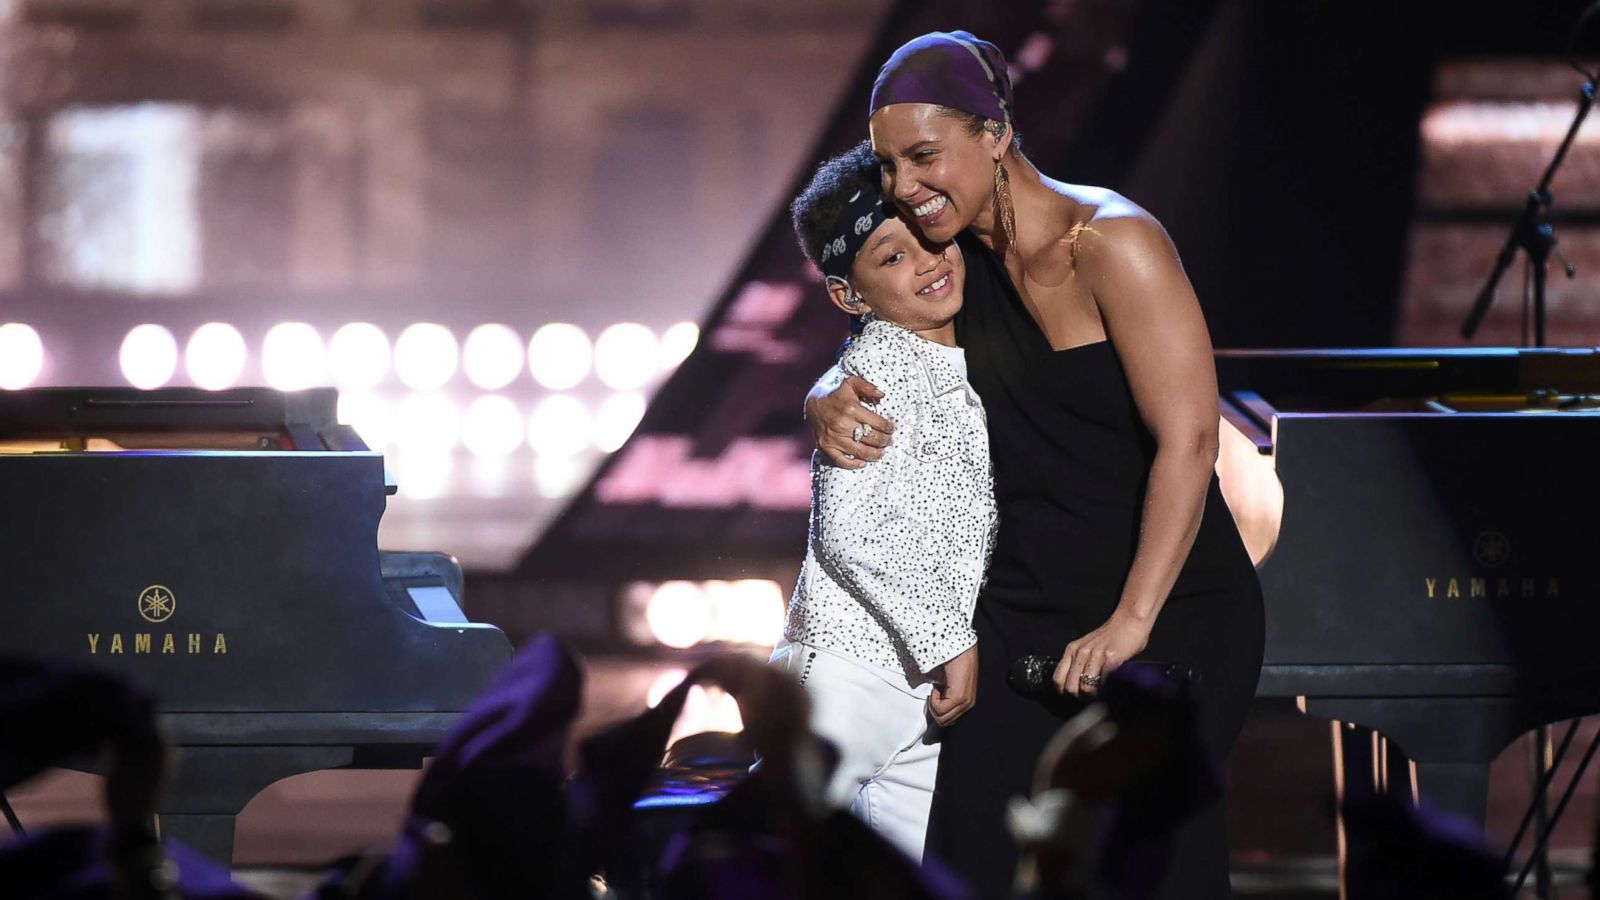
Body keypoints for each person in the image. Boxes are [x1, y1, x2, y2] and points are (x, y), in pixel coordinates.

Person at [805, 31, 1265, 898]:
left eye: (923, 156)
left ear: (997, 131)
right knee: (977, 867)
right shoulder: (955, 262)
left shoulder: (1113, 243)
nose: (903, 187)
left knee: (1141, 868)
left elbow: (1192, 440)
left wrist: (1131, 624)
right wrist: (820, 395)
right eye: (889, 164)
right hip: (1024, 613)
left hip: (1165, 610)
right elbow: (879, 342)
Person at [774, 139, 997, 862]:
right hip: (849, 671)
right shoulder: (876, 373)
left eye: (926, 241)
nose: (929, 263)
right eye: (892, 257)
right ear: (849, 294)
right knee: (765, 865)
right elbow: (851, 531)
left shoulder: (953, 346)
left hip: (917, 690)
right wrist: (948, 639)